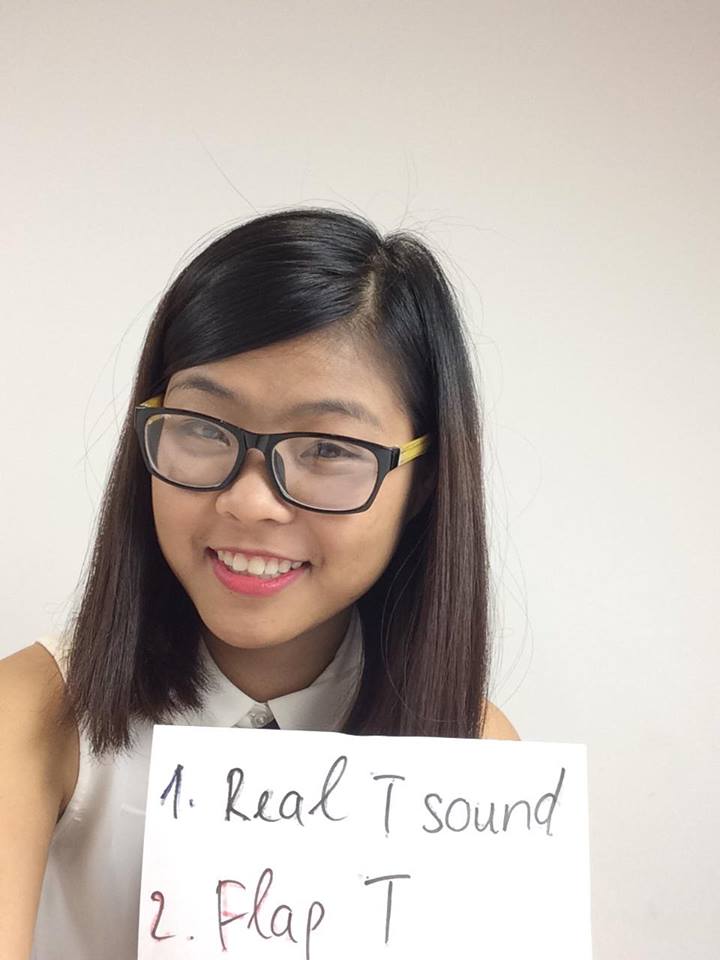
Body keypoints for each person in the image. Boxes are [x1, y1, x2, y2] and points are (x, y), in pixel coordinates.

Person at [0, 207, 519, 959]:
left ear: (424, 482)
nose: (249, 501)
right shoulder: (31, 713)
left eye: (327, 448)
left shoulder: (476, 758)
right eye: (203, 427)